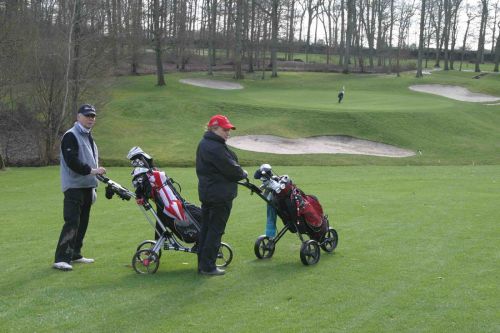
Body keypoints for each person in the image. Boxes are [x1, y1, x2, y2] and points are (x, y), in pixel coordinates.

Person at [53, 104, 106, 271]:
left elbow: (90, 159)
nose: (91, 118)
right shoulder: (71, 135)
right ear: (78, 117)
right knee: (72, 221)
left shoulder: (88, 136)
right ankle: (61, 258)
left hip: (87, 186)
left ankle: (75, 253)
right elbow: (72, 161)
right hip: (74, 186)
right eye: (87, 115)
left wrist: (95, 179)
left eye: (93, 116)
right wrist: (92, 171)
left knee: (83, 222)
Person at [196, 115, 247, 276]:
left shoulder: (206, 144)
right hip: (219, 196)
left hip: (209, 193)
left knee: (206, 229)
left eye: (228, 130)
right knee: (215, 230)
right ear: (214, 129)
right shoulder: (215, 147)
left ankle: (203, 264)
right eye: (224, 130)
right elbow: (233, 170)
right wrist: (243, 172)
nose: (228, 133)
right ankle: (208, 267)